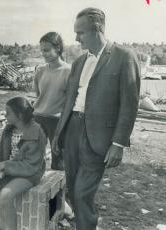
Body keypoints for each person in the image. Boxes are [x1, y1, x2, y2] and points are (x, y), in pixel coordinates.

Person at [52, 8, 141, 230]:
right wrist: (58, 134)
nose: (75, 38)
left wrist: (118, 143)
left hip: (99, 138)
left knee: (82, 193)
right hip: (72, 130)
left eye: (80, 32)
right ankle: (86, 223)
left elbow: (129, 105)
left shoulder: (124, 57)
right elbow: (69, 101)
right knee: (72, 190)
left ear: (97, 28)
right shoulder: (79, 62)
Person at [0, 97, 47, 230]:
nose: (4, 115)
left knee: (6, 196)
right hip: (7, 169)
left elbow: (31, 166)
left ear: (19, 115)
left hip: (30, 173)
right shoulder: (9, 129)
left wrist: (4, 167)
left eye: (8, 113)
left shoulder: (36, 133)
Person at [33, 32, 71, 170]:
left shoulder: (68, 71)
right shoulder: (40, 70)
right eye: (42, 50)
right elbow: (39, 95)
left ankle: (60, 191)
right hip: (38, 119)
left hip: (57, 122)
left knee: (59, 162)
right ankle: (36, 190)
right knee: (34, 159)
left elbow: (70, 101)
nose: (43, 54)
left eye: (47, 50)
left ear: (58, 48)